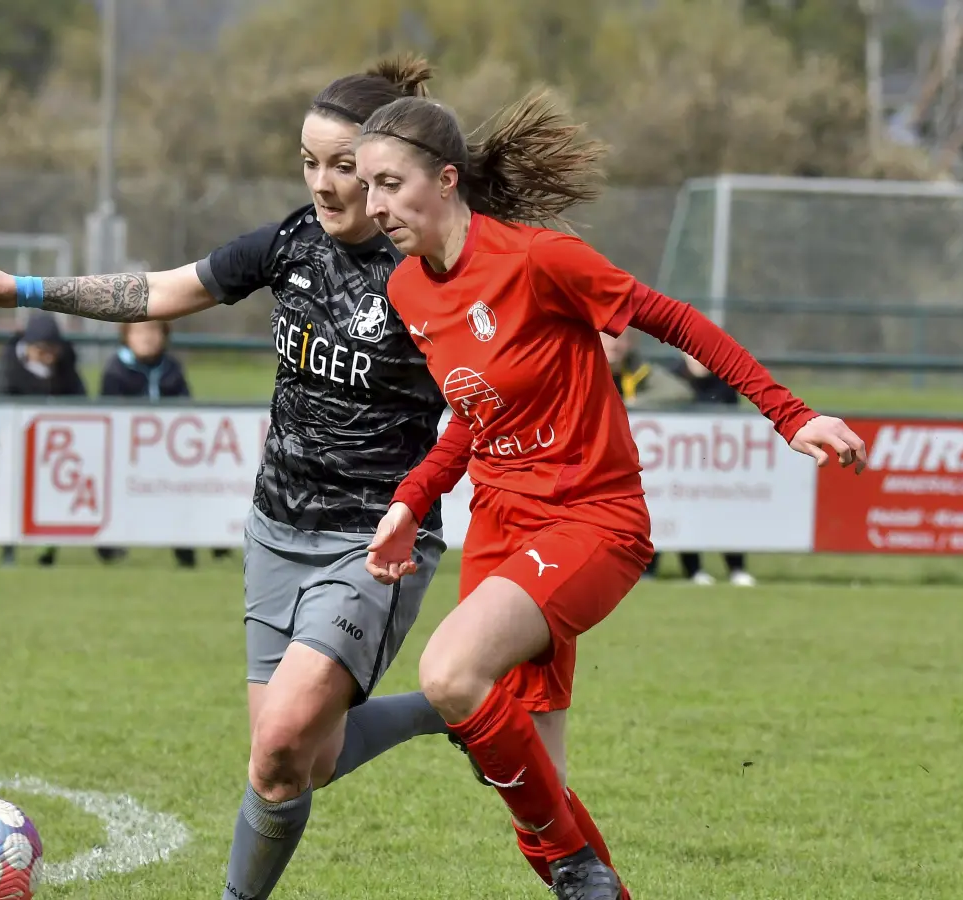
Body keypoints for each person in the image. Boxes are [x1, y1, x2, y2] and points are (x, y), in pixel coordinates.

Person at [0, 57, 457, 900]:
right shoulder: (291, 242)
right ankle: (462, 706)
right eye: (309, 162)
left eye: (344, 168)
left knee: (279, 748)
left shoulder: (432, 270)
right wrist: (26, 291)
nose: (325, 185)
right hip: (273, 530)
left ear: (383, 171)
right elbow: (158, 290)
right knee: (302, 763)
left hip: (375, 541)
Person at [354, 92, 867, 900]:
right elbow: (472, 415)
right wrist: (411, 502)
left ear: (446, 180)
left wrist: (789, 414)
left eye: (389, 183)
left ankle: (574, 865)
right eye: (366, 185)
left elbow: (678, 321)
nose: (373, 204)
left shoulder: (537, 259)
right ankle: (590, 878)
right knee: (532, 786)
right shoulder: (410, 292)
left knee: (451, 673)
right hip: (498, 528)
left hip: (590, 520)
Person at [96, 320, 231, 569]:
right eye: (139, 332)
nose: (147, 338)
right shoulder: (115, 370)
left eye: (154, 331)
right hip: (127, 454)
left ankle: (202, 543)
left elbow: (187, 410)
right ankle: (108, 546)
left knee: (199, 480)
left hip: (171, 453)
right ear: (126, 335)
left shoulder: (172, 368)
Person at [0, 311, 86, 567]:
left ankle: (48, 550)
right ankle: (9, 550)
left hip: (56, 452)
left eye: (53, 349)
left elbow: (81, 404)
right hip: (14, 450)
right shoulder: (6, 369)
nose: (49, 356)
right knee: (11, 499)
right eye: (42, 349)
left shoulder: (66, 367)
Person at [601, 330, 689, 581]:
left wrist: (635, 405)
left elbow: (680, 392)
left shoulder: (642, 372)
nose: (613, 345)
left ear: (631, 342)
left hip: (634, 461)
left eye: (619, 337)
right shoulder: (578, 366)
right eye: (606, 337)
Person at [669, 352, 756, 586]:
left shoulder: (725, 383)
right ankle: (694, 570)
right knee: (687, 512)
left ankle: (736, 568)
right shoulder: (672, 379)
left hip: (719, 460)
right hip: (681, 460)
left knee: (727, 510)